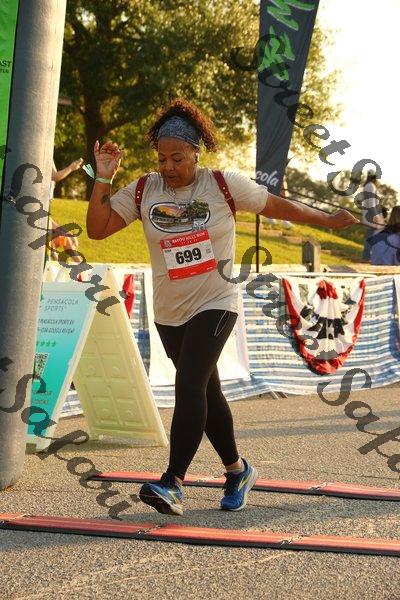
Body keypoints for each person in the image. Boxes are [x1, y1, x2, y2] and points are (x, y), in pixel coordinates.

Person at [86, 98, 358, 516]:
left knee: (188, 384)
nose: (168, 166)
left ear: (196, 153)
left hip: (217, 301)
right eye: (162, 158)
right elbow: (97, 229)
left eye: (177, 158)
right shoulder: (144, 190)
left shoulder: (223, 185)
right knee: (205, 391)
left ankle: (173, 483)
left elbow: (277, 205)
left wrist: (327, 220)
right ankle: (237, 470)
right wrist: (103, 177)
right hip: (170, 310)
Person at [47, 158, 83, 261]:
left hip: (45, 212)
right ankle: (82, 267)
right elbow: (55, 176)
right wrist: (71, 167)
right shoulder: (44, 152)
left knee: (70, 238)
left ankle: (57, 261)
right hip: (39, 212)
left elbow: (55, 175)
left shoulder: (48, 154)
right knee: (65, 238)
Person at [361, 170, 385, 261]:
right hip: (372, 216)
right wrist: (376, 216)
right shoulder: (370, 186)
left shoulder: (369, 186)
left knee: (371, 237)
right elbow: (371, 203)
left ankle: (367, 257)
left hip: (371, 215)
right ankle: (366, 258)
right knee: (370, 237)